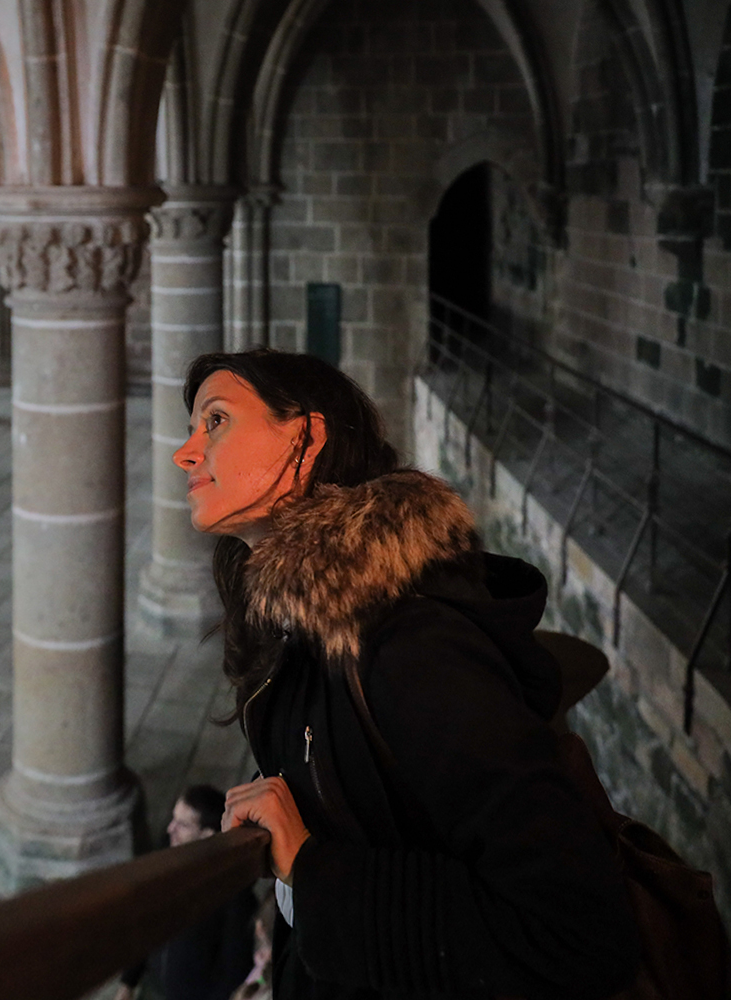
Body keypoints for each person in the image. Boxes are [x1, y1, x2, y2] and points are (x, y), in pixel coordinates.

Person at [170, 349, 640, 1000]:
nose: (186, 453)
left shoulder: (414, 652)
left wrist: (312, 867)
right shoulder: (294, 629)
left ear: (307, 438)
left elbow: (576, 932)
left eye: (215, 421)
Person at [115, 785, 257, 1000]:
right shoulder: (163, 860)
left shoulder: (234, 893)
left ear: (207, 835)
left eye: (182, 825)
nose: (170, 829)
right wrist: (128, 981)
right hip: (156, 988)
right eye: (173, 819)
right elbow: (147, 925)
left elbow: (234, 970)